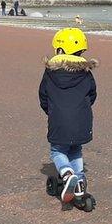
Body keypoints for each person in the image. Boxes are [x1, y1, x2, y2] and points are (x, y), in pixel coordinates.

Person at [38, 28, 97, 204]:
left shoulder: (51, 73)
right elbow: (92, 94)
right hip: (82, 120)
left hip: (58, 120)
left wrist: (50, 111)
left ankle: (66, 173)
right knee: (76, 150)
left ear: (60, 49)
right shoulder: (86, 73)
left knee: (57, 150)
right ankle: (78, 182)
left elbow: (43, 96)